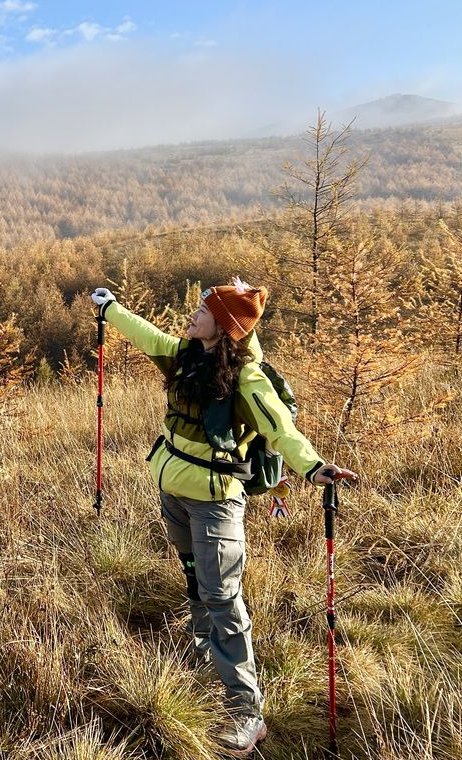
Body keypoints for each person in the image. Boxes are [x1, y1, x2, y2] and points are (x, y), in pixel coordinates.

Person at [90, 279, 357, 757]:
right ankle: (202, 657)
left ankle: (245, 712)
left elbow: (280, 427)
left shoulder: (246, 380)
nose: (191, 314)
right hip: (172, 490)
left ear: (225, 327)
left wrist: (315, 467)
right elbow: (145, 334)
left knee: (222, 599)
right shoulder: (186, 354)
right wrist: (111, 310)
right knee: (194, 579)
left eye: (202, 310)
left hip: (215, 503)